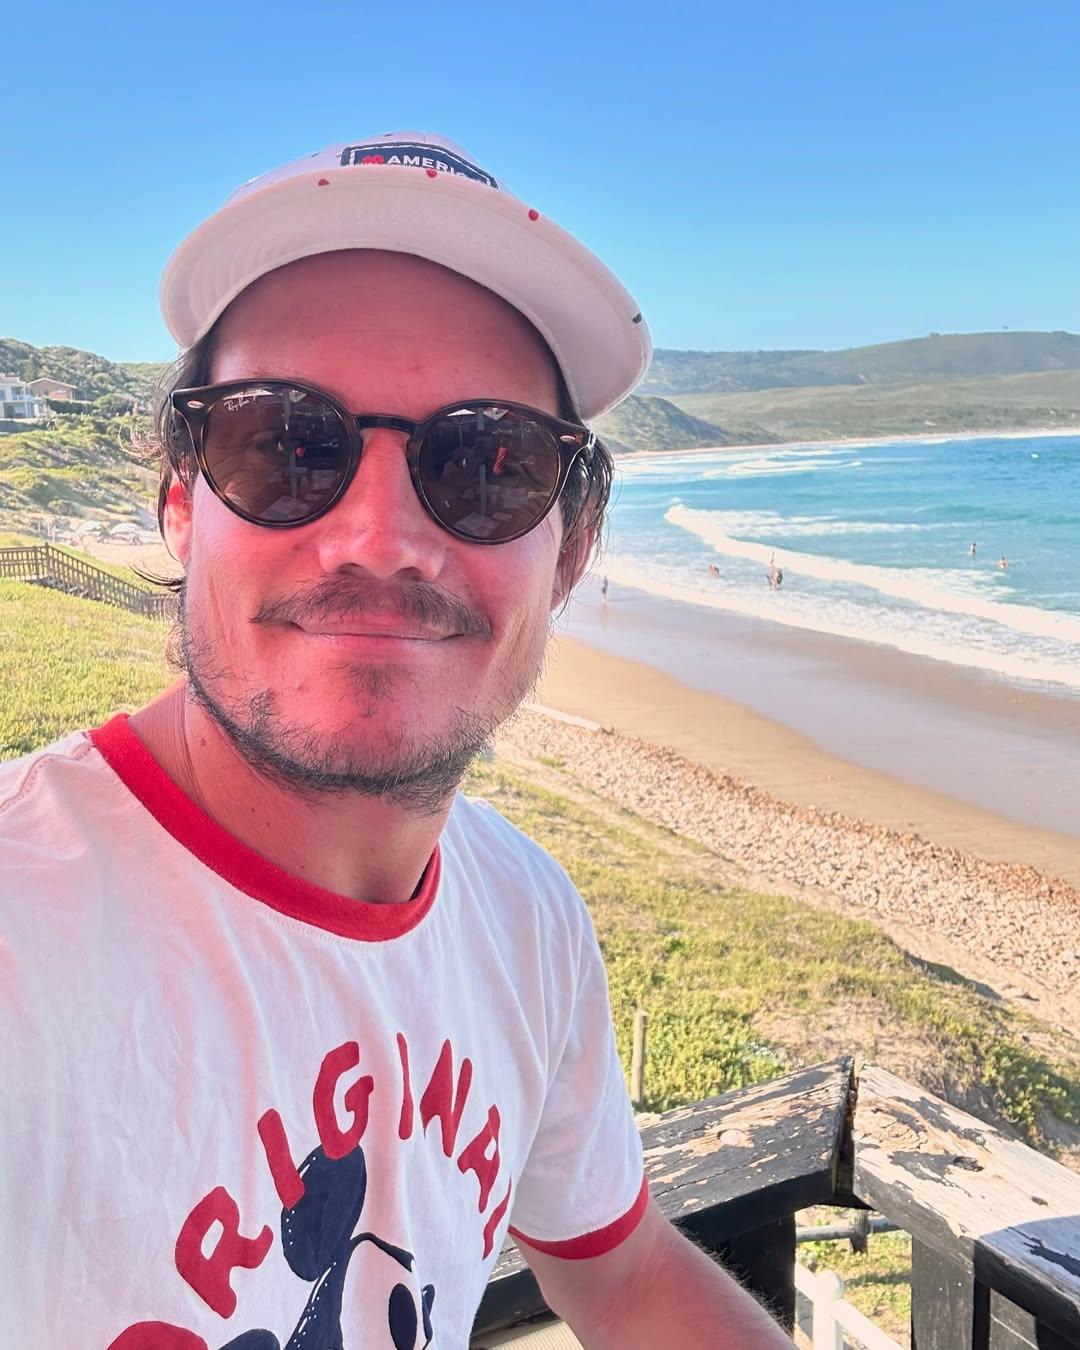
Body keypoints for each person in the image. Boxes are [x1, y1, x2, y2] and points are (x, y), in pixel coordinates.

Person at [0, 133, 789, 1349]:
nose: (380, 538)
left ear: (569, 554)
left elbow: (620, 1269)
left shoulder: (527, 920)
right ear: (178, 510)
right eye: (283, 442)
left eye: (488, 463)